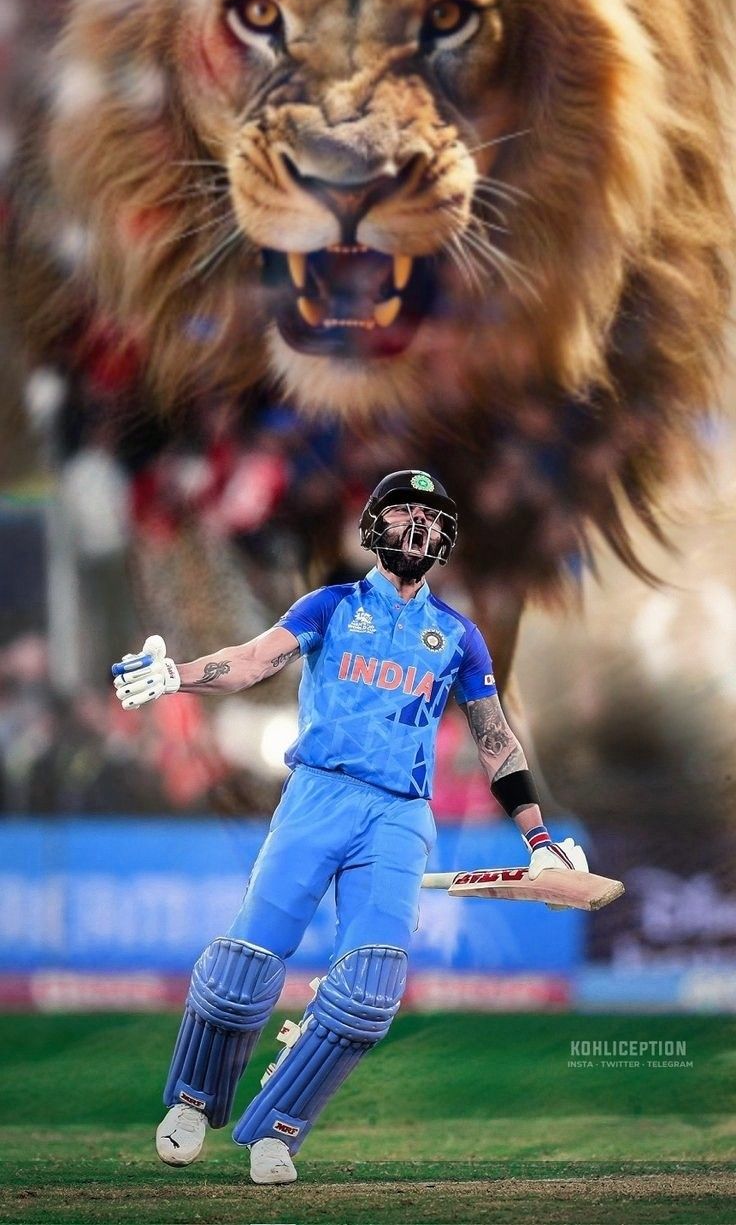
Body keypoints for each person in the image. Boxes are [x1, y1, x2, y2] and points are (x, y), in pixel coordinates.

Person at [112, 469, 586, 1184]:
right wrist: (177, 674)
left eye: (432, 517)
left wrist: (540, 841)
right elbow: (250, 662)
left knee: (369, 990)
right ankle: (191, 1099)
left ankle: (276, 1129)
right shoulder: (330, 606)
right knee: (243, 969)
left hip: (399, 814)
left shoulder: (457, 635)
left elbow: (497, 741)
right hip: (318, 794)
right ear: (374, 526)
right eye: (404, 512)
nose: (420, 527)